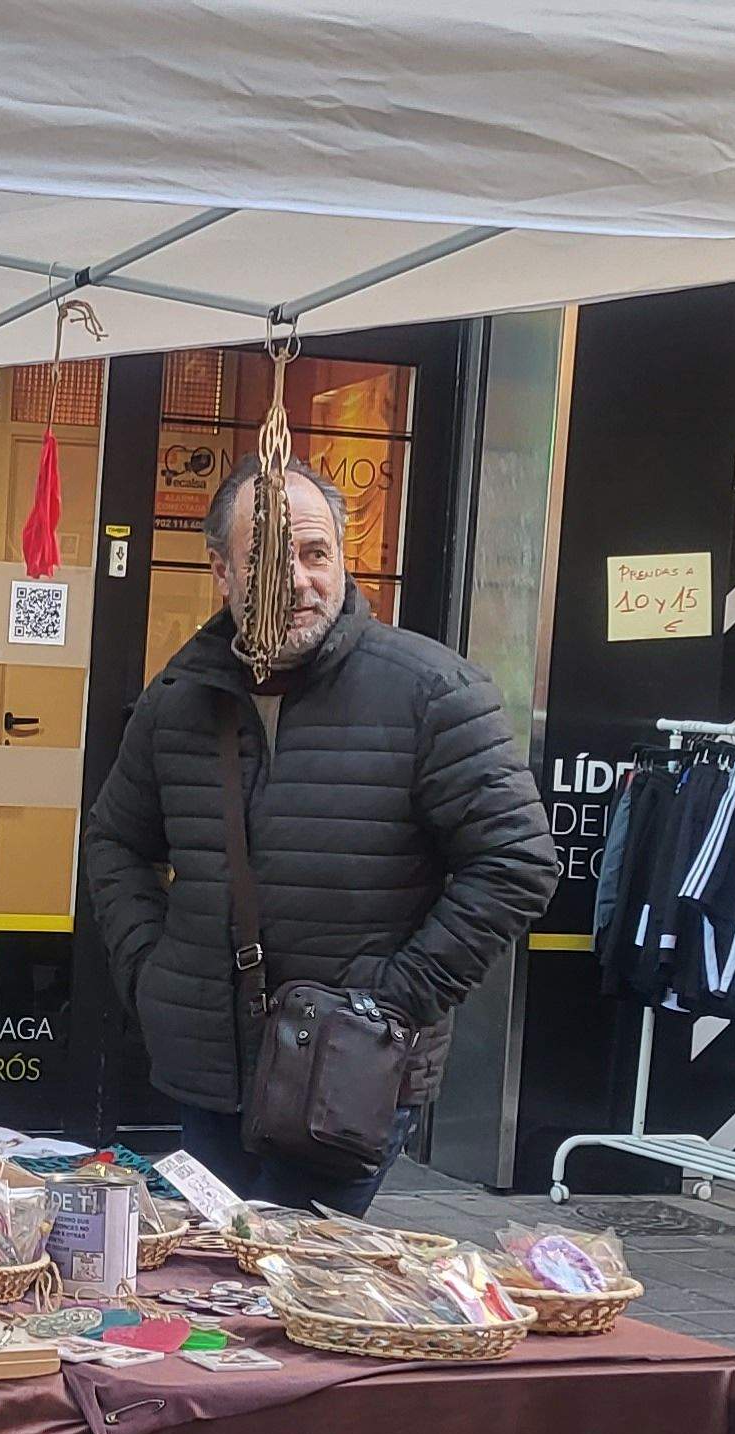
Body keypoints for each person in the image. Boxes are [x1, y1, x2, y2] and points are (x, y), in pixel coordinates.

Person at [84, 454, 556, 1213]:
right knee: (215, 1284)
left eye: (316, 554)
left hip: (347, 1070)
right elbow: (115, 840)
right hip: (210, 1070)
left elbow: (516, 862)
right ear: (223, 571)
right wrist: (153, 973)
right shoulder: (178, 698)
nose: (300, 580)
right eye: (271, 558)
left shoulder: (432, 692)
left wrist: (393, 998)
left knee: (292, 1285)